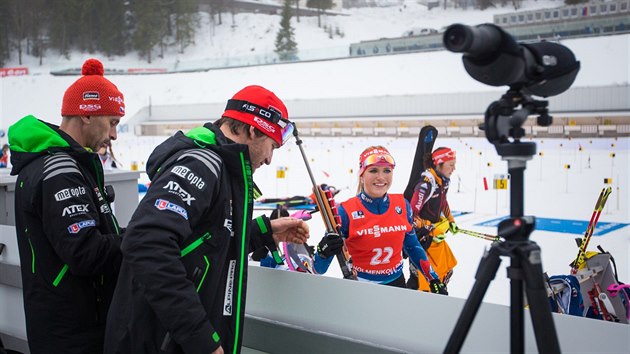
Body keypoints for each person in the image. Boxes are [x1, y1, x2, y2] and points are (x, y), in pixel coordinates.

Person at [104, 85, 309, 354]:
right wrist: (201, 338)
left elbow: (207, 239)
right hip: (159, 342)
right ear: (253, 130)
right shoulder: (200, 165)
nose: (270, 159)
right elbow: (146, 244)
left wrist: (263, 232)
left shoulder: (222, 167)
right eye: (272, 146)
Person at [7, 58, 125, 353]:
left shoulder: (57, 163)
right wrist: (139, 238)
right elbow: (86, 253)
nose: (113, 135)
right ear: (86, 115)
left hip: (60, 325)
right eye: (112, 123)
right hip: (74, 333)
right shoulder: (60, 171)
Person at [313, 146, 447, 293]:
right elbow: (318, 270)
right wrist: (323, 251)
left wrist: (433, 278)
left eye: (387, 171)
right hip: (359, 287)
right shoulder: (345, 211)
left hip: (397, 286)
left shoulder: (402, 205)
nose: (381, 177)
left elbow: (412, 246)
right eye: (373, 170)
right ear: (362, 175)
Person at [407, 147, 459, 292]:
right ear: (438, 164)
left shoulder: (442, 182)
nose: (454, 168)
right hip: (423, 241)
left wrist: (451, 221)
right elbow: (411, 216)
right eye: (451, 165)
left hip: (435, 239)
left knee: (445, 272)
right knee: (422, 281)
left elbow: (443, 203)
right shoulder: (425, 185)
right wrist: (431, 227)